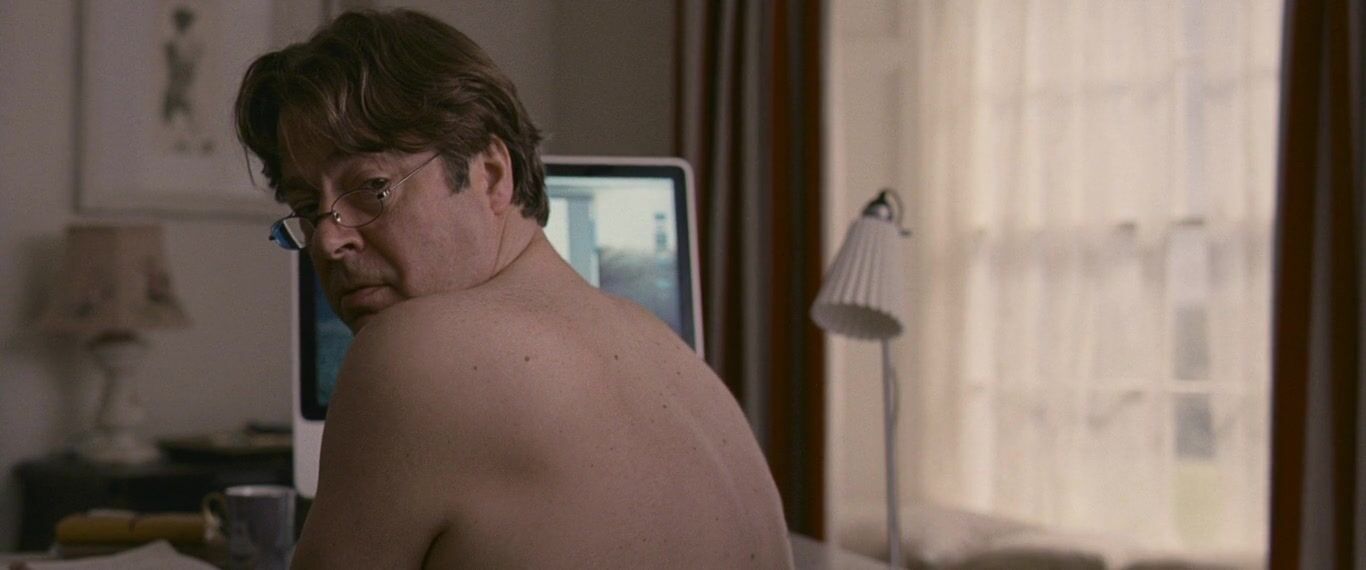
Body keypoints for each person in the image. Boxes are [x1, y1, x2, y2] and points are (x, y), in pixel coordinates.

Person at [234, 9, 792, 568]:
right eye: (307, 208)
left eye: (372, 188)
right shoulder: (678, 361)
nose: (328, 240)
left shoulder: (414, 350)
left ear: (492, 174)